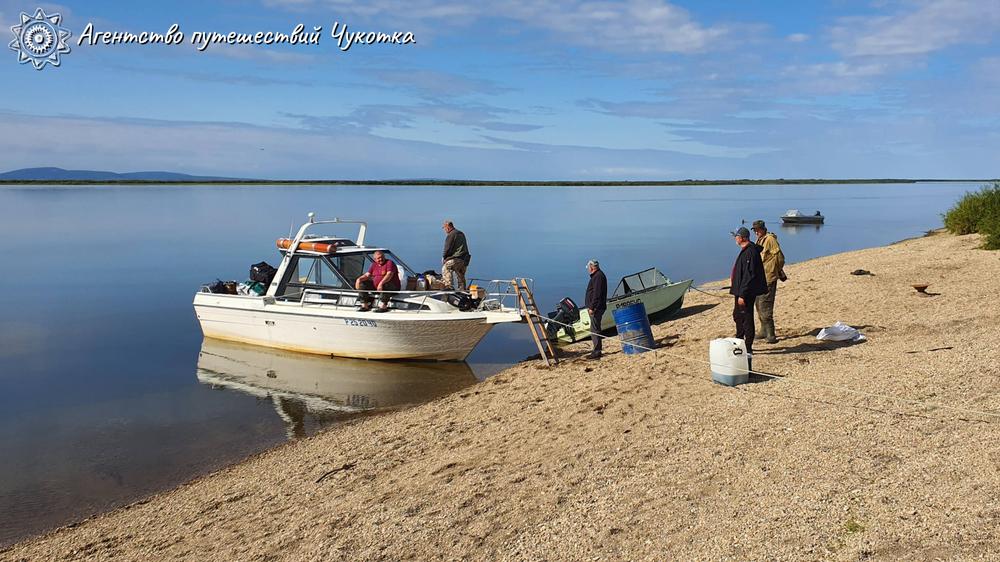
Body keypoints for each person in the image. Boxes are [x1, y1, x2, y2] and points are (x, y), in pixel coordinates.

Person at [730, 226, 768, 365]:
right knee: (738, 316)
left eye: (736, 236)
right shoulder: (746, 251)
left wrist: (742, 294)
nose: (735, 238)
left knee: (746, 318)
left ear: (741, 238)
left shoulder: (750, 253)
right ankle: (739, 341)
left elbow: (749, 275)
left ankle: (748, 347)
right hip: (740, 291)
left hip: (745, 293)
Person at [751, 220, 785, 344]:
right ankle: (763, 330)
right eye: (754, 230)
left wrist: (776, 270)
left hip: (768, 277)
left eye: (758, 230)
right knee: (758, 304)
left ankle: (771, 333)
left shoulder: (770, 240)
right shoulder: (759, 241)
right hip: (760, 277)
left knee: (765, 304)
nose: (756, 232)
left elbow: (780, 257)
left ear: (764, 228)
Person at [584, 259, 608, 360]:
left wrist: (592, 307)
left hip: (597, 307)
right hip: (597, 306)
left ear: (591, 268)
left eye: (589, 268)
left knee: (595, 329)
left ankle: (597, 351)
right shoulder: (598, 275)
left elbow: (597, 293)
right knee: (595, 328)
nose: (589, 270)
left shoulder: (598, 276)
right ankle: (597, 349)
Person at [441, 221, 471, 291]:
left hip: (456, 258)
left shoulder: (451, 235)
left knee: (446, 268)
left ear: (448, 228)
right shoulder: (460, 233)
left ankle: (449, 286)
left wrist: (444, 257)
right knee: (460, 275)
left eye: (444, 228)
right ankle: (462, 290)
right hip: (464, 258)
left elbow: (447, 247)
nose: (444, 230)